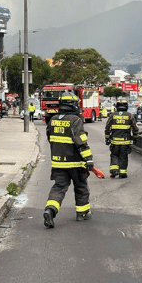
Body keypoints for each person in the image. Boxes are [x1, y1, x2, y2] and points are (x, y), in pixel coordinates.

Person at [43, 92, 94, 228]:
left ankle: (50, 211)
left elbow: (50, 138)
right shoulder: (75, 120)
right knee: (81, 187)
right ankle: (82, 214)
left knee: (59, 188)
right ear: (73, 105)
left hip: (58, 162)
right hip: (75, 163)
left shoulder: (52, 119)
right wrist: (88, 159)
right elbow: (81, 142)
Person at [105, 97, 139, 178]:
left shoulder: (112, 116)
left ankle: (114, 171)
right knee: (123, 157)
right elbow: (135, 129)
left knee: (114, 155)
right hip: (125, 141)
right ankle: (122, 173)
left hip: (114, 141)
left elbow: (107, 128)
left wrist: (107, 138)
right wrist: (135, 138)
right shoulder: (130, 116)